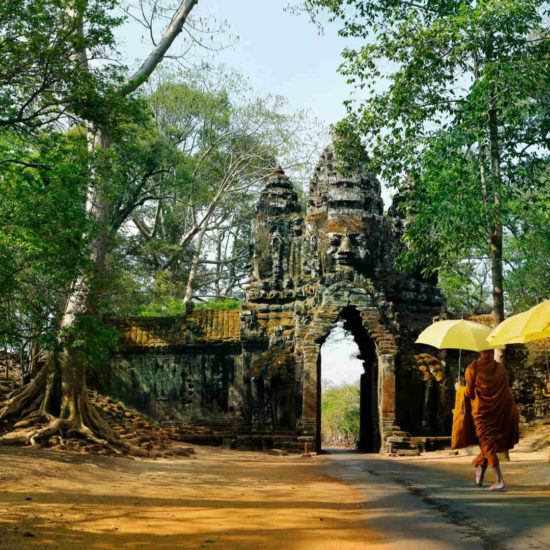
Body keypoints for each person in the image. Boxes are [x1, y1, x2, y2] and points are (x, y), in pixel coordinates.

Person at [455, 349, 519, 491]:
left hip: (481, 413)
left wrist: (459, 389)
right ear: (491, 351)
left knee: (487, 444)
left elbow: (469, 393)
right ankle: (480, 473)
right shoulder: (500, 368)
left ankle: (499, 480)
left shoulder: (473, 367)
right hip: (497, 412)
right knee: (488, 443)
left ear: (479, 351)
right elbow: (505, 390)